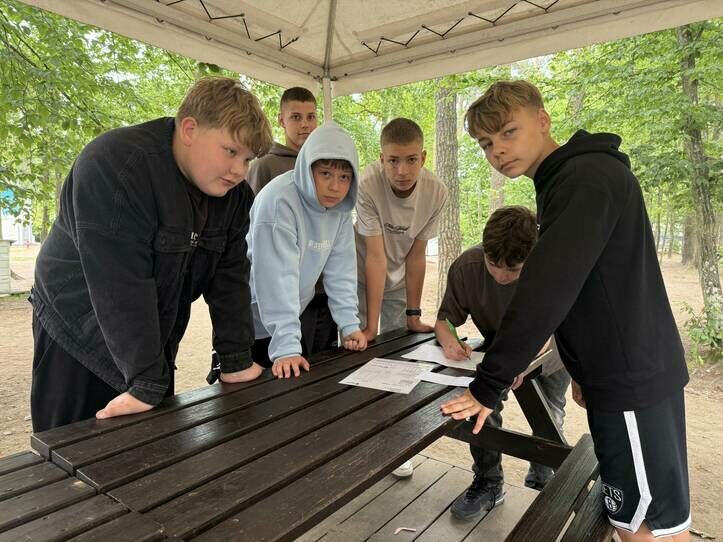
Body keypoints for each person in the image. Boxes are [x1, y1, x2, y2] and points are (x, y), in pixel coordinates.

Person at [441, 80, 690, 542]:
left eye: (508, 132)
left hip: (630, 380)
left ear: (543, 120)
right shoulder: (567, 180)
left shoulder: (583, 179)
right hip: (618, 376)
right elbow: (589, 287)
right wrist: (581, 370)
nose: (497, 150)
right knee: (638, 516)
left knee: (648, 524)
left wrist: (488, 385)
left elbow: (547, 291)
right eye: (486, 143)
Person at [30, 77, 273, 432]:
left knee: (152, 448)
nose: (240, 171)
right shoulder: (116, 165)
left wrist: (236, 360)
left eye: (248, 159)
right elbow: (120, 284)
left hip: (151, 337)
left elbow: (231, 278)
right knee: (75, 451)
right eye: (231, 151)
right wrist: (146, 382)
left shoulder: (234, 196)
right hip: (77, 333)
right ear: (189, 129)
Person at [436, 205, 570, 520]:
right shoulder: (467, 266)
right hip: (497, 350)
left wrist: (520, 362)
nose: (500, 276)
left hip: (550, 350)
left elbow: (550, 329)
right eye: (493, 264)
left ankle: (542, 481)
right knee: (481, 405)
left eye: (513, 269)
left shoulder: (551, 268)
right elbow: (444, 321)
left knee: (548, 412)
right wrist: (449, 339)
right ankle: (489, 482)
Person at [355, 117, 448, 477]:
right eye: (393, 160)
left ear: (423, 157)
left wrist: (413, 313)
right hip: (361, 275)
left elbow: (417, 256)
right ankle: (357, 440)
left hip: (398, 282)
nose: (402, 170)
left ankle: (395, 445)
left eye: (411, 160)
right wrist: (369, 326)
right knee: (360, 355)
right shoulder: (367, 184)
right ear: (381, 159)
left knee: (398, 361)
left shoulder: (436, 192)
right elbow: (375, 257)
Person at [248, 121, 367, 379]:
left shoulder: (339, 209)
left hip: (291, 317)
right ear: (306, 168)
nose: (335, 186)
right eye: (326, 174)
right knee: (252, 396)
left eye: (344, 177)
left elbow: (342, 270)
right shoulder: (278, 201)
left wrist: (349, 325)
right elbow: (277, 279)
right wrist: (286, 346)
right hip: (252, 319)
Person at [246, 87, 338, 358]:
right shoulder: (265, 166)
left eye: (311, 117)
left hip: (324, 292)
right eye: (296, 117)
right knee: (289, 363)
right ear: (281, 120)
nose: (305, 124)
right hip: (285, 295)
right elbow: (251, 232)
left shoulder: (330, 165)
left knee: (324, 364)